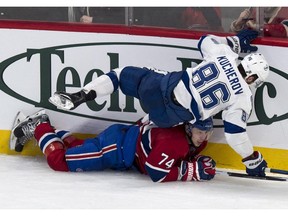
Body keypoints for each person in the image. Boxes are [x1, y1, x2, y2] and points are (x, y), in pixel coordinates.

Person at [49, 29, 270, 177]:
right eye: (255, 81)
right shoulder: (243, 97)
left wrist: (234, 42)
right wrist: (251, 159)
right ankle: (142, 133)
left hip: (161, 87)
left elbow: (204, 40)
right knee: (188, 126)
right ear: (251, 77)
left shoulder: (226, 55)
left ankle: (83, 94)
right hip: (169, 118)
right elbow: (235, 133)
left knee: (121, 75)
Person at [11, 109, 215, 183]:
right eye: (199, 131)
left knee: (81, 149)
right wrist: (193, 171)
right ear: (188, 128)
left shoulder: (192, 137)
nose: (203, 137)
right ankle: (39, 126)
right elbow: (156, 172)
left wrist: (195, 161)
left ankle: (50, 130)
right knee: (60, 161)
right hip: (114, 149)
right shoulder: (175, 142)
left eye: (207, 131)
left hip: (122, 143)